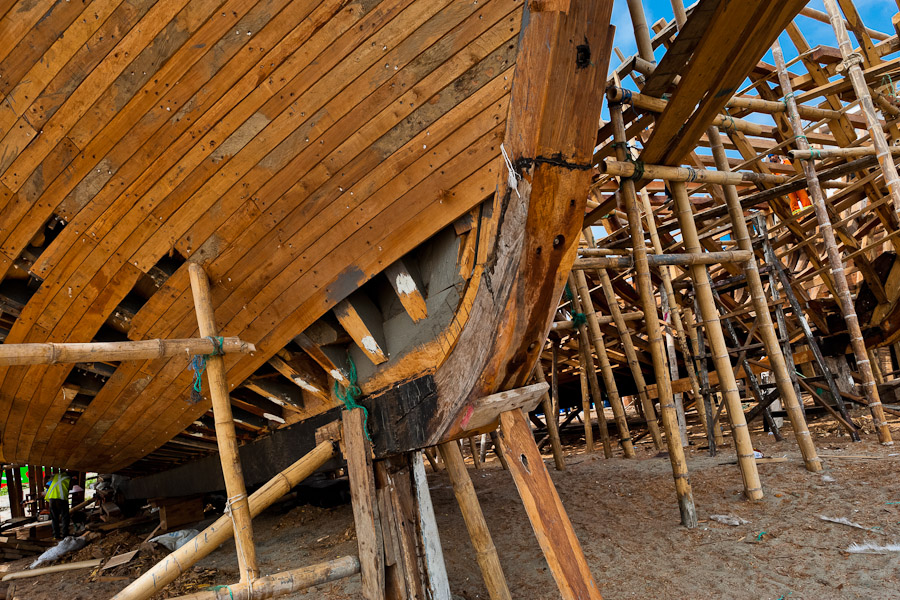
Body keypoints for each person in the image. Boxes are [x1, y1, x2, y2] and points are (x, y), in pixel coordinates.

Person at [44, 471, 73, 539]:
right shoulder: (69, 479)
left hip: (52, 500)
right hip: (61, 499)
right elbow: (70, 488)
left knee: (54, 518)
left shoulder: (56, 476)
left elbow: (46, 478)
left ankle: (56, 536)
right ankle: (65, 535)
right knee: (65, 518)